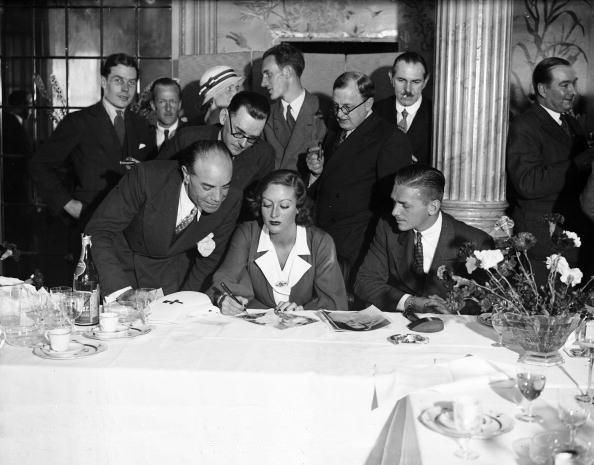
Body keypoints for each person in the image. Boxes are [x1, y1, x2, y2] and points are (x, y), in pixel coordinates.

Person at [86, 140, 242, 297]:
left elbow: (210, 260)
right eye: (207, 187)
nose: (217, 198)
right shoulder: (146, 178)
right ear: (186, 174)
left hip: (171, 278)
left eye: (225, 187)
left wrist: (185, 300)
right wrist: (121, 292)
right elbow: (99, 231)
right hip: (119, 270)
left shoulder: (232, 199)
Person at [306, 71, 414, 288]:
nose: (340, 113)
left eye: (347, 107)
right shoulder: (333, 133)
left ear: (368, 104)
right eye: (336, 106)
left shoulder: (390, 139)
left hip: (358, 248)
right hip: (326, 240)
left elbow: (391, 205)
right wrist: (315, 174)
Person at [29, 53, 155, 227]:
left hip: (132, 226)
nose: (126, 89)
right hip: (90, 222)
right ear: (104, 82)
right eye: (118, 81)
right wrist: (69, 205)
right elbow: (40, 165)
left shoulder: (142, 125)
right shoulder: (79, 122)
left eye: (131, 82)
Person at [354, 164, 494, 313]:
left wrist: (454, 308)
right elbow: (364, 281)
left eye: (404, 205)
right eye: (394, 202)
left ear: (432, 207)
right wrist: (409, 302)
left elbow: (489, 301)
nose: (395, 211)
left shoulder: (476, 241)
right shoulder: (387, 228)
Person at [208, 169, 347, 314]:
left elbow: (335, 304)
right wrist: (223, 300)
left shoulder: (320, 242)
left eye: (284, 206)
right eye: (267, 205)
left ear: (298, 207)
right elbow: (221, 283)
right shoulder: (247, 234)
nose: (274, 214)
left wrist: (305, 312)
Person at [507, 57, 593, 279]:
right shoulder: (525, 125)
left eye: (573, 83)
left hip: (571, 235)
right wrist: (579, 162)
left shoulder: (570, 123)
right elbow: (527, 183)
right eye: (564, 85)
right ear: (543, 89)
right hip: (541, 241)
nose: (572, 91)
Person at [158, 91, 275, 193]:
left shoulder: (264, 155)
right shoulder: (187, 139)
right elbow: (155, 179)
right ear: (224, 117)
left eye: (252, 138)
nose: (243, 143)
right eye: (238, 132)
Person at [261, 43, 326, 176]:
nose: (263, 83)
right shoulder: (265, 115)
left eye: (268, 74)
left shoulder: (325, 111)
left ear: (287, 72)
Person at [373, 52, 432, 165]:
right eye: (401, 80)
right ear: (391, 78)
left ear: (425, 81)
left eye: (415, 82)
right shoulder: (374, 112)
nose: (407, 89)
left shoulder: (437, 115)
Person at [149, 77, 183, 156]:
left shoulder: (190, 134)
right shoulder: (142, 135)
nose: (168, 108)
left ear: (179, 104)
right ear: (153, 105)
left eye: (173, 101)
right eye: (162, 102)